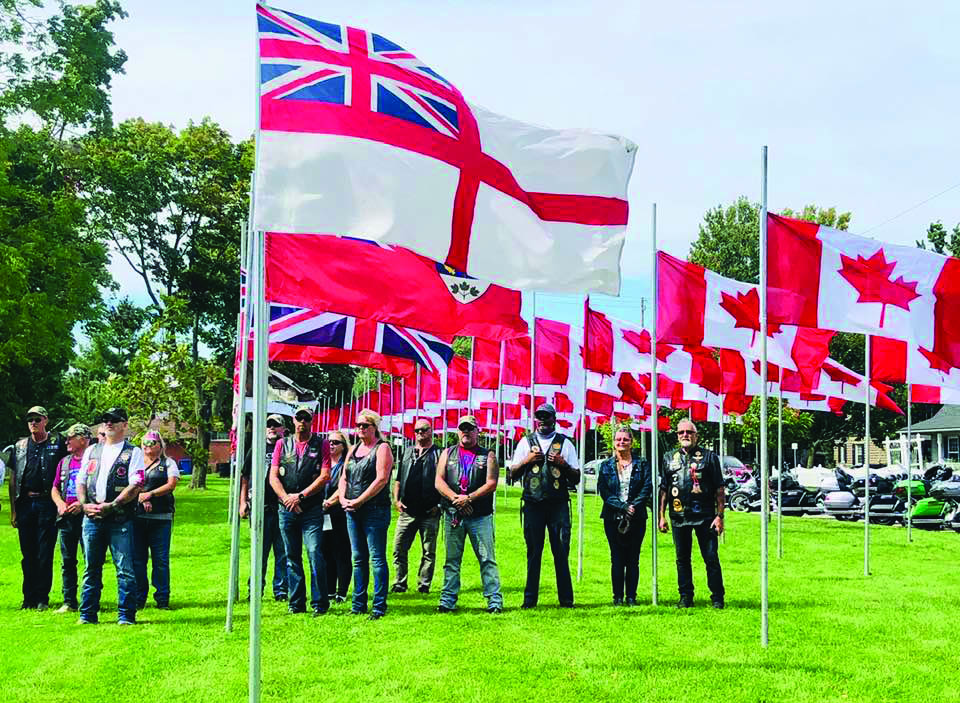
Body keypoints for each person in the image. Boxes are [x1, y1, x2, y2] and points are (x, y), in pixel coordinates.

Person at [508, 402, 580, 609]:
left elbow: (576, 477)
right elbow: (512, 474)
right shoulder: (525, 442)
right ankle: (530, 600)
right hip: (533, 504)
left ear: (554, 419)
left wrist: (563, 464)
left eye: (546, 417)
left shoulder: (565, 443)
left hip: (558, 506)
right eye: (539, 416)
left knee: (560, 551)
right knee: (533, 552)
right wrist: (526, 461)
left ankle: (566, 600)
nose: (542, 420)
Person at [76, 408, 145, 624]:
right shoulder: (92, 450)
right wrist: (84, 504)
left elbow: (136, 484)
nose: (108, 424)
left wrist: (113, 504)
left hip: (119, 518)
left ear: (124, 424)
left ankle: (126, 615)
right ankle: (87, 614)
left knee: (125, 569)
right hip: (92, 518)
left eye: (114, 420)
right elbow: (81, 481)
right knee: (90, 569)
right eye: (105, 420)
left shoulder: (133, 452)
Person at [434, 414, 503, 614]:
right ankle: (447, 600)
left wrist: (469, 498)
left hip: (480, 516)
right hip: (453, 515)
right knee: (451, 560)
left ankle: (494, 601)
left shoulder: (487, 455)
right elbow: (439, 481)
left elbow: (491, 483)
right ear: (457, 431)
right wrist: (457, 499)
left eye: (470, 428)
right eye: (463, 428)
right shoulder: (448, 453)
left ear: (477, 431)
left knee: (487, 559)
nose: (466, 432)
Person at [658, 419, 726, 609]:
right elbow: (664, 488)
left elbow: (719, 488)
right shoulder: (668, 457)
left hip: (705, 517)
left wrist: (720, 516)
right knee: (682, 559)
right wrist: (661, 515)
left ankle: (717, 598)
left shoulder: (709, 457)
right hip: (679, 517)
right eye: (681, 432)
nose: (685, 435)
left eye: (689, 432)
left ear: (696, 436)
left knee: (711, 557)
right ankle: (686, 596)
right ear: (677, 436)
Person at [270, 405, 330, 616]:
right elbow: (273, 476)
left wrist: (301, 496)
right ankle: (296, 603)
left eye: (306, 418)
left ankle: (320, 603)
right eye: (299, 418)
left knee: (314, 553)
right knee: (291, 556)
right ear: (293, 421)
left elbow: (324, 476)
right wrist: (286, 498)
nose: (302, 422)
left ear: (311, 421)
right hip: (286, 509)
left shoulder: (321, 444)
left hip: (311, 508)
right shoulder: (281, 444)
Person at [8, 405, 68, 611]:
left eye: (37, 419)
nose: (33, 423)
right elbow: (14, 478)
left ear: (46, 420)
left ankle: (42, 597)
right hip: (25, 503)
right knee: (28, 553)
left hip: (47, 503)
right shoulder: (20, 446)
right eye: (30, 419)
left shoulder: (58, 442)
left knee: (44, 552)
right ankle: (29, 597)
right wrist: (14, 510)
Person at [339, 408, 392, 620]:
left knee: (377, 558)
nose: (360, 429)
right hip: (352, 511)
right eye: (358, 425)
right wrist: (343, 499)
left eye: (365, 426)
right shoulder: (352, 450)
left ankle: (379, 606)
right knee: (358, 558)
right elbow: (344, 476)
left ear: (374, 428)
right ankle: (358, 603)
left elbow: (381, 479)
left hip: (374, 511)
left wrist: (360, 500)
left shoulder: (382, 448)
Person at [598, 426, 652, 606]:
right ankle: (617, 597)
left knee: (633, 559)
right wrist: (622, 506)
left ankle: (631, 597)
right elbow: (604, 491)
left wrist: (634, 506)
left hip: (637, 518)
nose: (621, 442)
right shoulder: (606, 466)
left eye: (625, 440)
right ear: (614, 443)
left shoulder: (642, 464)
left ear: (632, 442)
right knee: (617, 558)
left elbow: (647, 487)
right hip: (613, 517)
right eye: (618, 439)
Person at [240, 414, 289, 602]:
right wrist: (243, 502)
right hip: (259, 506)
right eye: (269, 425)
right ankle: (255, 589)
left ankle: (281, 590)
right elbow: (245, 476)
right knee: (259, 551)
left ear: (283, 429)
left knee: (282, 551)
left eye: (276, 426)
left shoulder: (288, 449)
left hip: (281, 506)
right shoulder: (257, 448)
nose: (272, 428)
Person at [391, 418, 442, 594]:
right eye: (417, 430)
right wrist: (396, 500)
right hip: (406, 511)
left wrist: (439, 504)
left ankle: (424, 584)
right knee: (398, 549)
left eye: (423, 430)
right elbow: (398, 479)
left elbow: (446, 481)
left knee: (428, 551)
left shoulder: (439, 454)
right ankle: (399, 582)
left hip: (430, 512)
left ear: (431, 431)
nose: (420, 433)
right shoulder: (407, 452)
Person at [133, 431, 180, 610]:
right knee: (138, 559)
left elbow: (171, 484)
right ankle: (139, 598)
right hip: (137, 518)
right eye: (144, 442)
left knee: (160, 559)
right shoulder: (135, 464)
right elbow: (129, 484)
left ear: (160, 445)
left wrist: (150, 494)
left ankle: (162, 599)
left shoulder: (168, 463)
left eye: (152, 442)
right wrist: (140, 497)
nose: (147, 446)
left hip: (161, 518)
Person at [50, 423, 92, 613]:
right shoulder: (64, 461)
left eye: (70, 437)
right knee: (67, 561)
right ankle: (68, 601)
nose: (66, 441)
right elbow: (55, 487)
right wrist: (59, 503)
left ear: (82, 439)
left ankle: (89, 600)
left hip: (88, 517)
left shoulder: (94, 460)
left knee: (90, 560)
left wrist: (82, 505)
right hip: (66, 517)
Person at [320, 429, 351, 603]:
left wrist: (329, 502)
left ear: (343, 446)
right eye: (329, 442)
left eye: (335, 442)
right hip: (323, 515)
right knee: (326, 553)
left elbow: (343, 487)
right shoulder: (323, 463)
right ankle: (329, 590)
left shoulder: (346, 464)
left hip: (340, 513)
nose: (331, 445)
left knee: (342, 553)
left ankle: (342, 592)